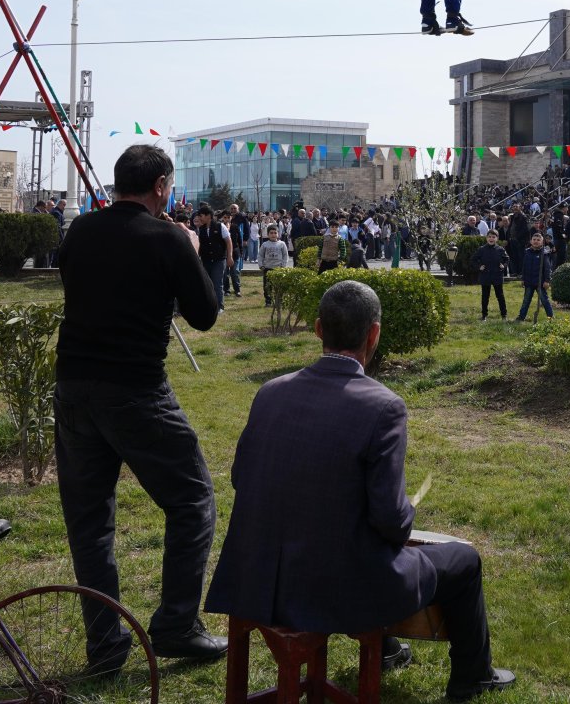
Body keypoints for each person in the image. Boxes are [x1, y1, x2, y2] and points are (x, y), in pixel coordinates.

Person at [206, 281, 513, 701]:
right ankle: (472, 677)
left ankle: (386, 651)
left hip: (256, 574)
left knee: (345, 534)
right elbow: (389, 520)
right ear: (375, 334)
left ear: (317, 329)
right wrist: (408, 514)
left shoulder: (271, 391)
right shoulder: (382, 406)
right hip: (337, 585)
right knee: (461, 559)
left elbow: (243, 478)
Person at [53, 143, 226, 670]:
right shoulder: (168, 238)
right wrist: (190, 253)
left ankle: (105, 647)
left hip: (73, 386)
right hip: (136, 389)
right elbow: (204, 315)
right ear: (158, 187)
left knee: (89, 523)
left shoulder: (80, 230)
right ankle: (176, 624)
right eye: (169, 186)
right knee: (193, 501)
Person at [515, 231, 553, 322]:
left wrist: (547, 280)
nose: (536, 241)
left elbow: (547, 268)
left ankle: (550, 317)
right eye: (534, 240)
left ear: (542, 242)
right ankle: (521, 317)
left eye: (538, 240)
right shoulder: (527, 252)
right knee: (526, 300)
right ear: (531, 241)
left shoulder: (544, 253)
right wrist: (523, 279)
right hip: (528, 281)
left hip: (540, 282)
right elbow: (524, 266)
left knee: (544, 300)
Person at [470, 231, 508, 321]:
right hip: (485, 276)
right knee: (485, 296)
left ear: (497, 239)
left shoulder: (500, 249)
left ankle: (504, 315)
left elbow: (507, 259)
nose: (491, 239)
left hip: (497, 275)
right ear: (486, 238)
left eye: (493, 237)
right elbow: (473, 260)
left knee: (500, 296)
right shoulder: (482, 249)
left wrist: (503, 265)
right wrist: (479, 266)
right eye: (489, 237)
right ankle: (484, 315)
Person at [258, 224, 289, 303]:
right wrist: (261, 265)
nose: (273, 235)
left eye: (275, 233)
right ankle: (268, 300)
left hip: (279, 268)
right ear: (268, 234)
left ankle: (279, 300)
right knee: (267, 286)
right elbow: (260, 255)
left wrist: (283, 265)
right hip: (267, 268)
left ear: (278, 234)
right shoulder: (265, 244)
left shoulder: (282, 244)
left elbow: (285, 255)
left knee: (278, 285)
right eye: (271, 233)